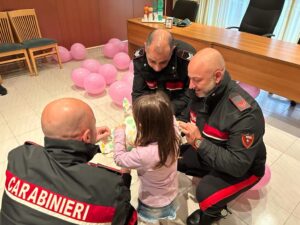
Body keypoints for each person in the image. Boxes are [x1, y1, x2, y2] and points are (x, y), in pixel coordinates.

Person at [0, 98, 137, 225]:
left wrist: (90, 143)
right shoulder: (111, 187)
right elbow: (128, 220)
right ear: (87, 136)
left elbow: (60, 156)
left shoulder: (19, 157)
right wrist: (126, 175)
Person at [177, 48, 266, 225]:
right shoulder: (200, 90)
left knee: (205, 194)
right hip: (212, 148)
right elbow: (185, 116)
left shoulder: (246, 113)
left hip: (245, 168)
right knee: (171, 156)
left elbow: (237, 166)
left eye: (196, 80)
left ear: (217, 76)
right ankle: (211, 176)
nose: (190, 86)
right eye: (190, 78)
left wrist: (199, 142)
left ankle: (212, 215)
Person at [113, 92, 183, 225]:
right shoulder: (175, 136)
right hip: (172, 194)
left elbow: (119, 158)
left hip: (151, 202)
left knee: (150, 222)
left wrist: (119, 133)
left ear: (145, 127)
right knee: (166, 218)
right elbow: (173, 120)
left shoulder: (142, 154)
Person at [132, 29, 195, 118]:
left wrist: (166, 113)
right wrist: (141, 115)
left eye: (163, 62)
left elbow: (190, 96)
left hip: (178, 108)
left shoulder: (188, 60)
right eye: (152, 61)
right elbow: (138, 93)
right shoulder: (139, 58)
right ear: (146, 48)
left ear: (172, 50)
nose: (157, 68)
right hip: (153, 108)